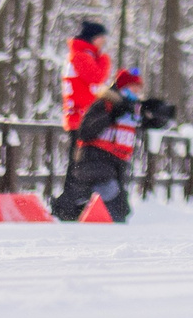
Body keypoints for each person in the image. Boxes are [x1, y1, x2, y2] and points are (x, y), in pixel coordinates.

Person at [53, 67, 171, 222]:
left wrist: (160, 112)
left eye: (138, 87)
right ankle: (68, 214)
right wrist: (112, 114)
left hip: (116, 165)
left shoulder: (132, 109)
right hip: (94, 161)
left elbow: (154, 123)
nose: (136, 91)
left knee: (120, 210)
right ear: (122, 87)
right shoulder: (105, 103)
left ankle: (70, 212)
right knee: (110, 204)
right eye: (133, 86)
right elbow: (86, 131)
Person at [64, 20, 112, 133]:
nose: (103, 41)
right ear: (93, 37)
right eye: (101, 37)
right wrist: (104, 60)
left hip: (84, 117)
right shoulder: (80, 56)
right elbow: (97, 78)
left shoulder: (82, 55)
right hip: (82, 117)